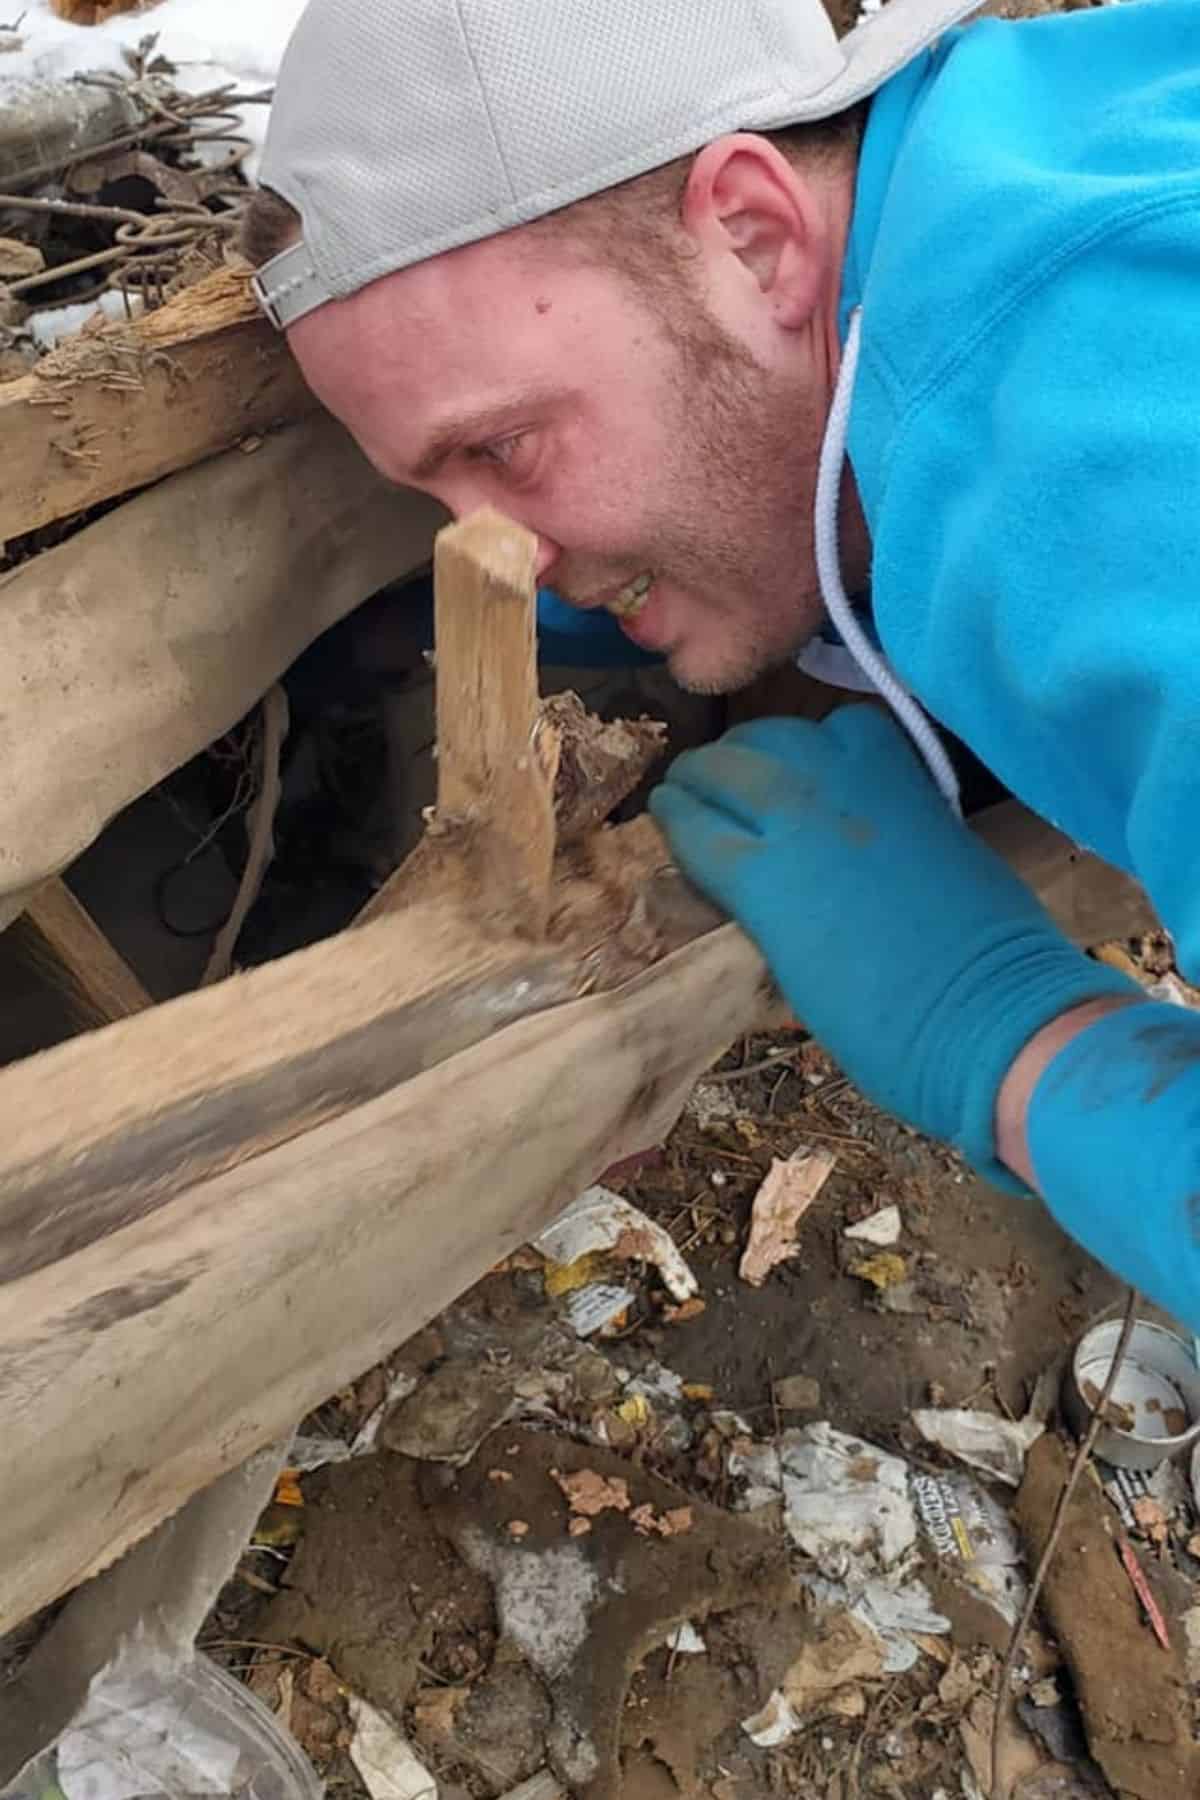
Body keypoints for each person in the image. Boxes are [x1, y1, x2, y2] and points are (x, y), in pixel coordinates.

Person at [243, 0, 1200, 1333]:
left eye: (505, 450)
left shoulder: (1104, 482)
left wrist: (1003, 1034)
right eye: (439, 493)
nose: (498, 559)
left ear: (753, 234)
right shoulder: (1033, 145)